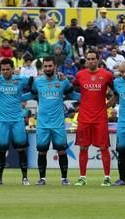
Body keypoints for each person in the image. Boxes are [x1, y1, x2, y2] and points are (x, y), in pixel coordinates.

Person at [31, 56, 77, 185]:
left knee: (62, 151)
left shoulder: (62, 81)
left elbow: (71, 92)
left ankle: (64, 178)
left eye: (50, 66)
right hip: (43, 123)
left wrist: (66, 80)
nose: (47, 68)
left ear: (55, 67)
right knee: (42, 151)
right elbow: (32, 93)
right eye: (45, 66)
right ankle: (42, 178)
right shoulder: (38, 82)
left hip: (58, 123)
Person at [0, 59, 32, 186]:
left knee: (21, 149)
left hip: (18, 120)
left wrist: (57, 76)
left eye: (7, 69)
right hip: (2, 121)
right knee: (1, 150)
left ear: (12, 69)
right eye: (3, 69)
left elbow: (36, 82)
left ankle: (25, 178)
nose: (5, 71)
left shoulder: (20, 79)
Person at [72, 50, 114, 187]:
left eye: (93, 59)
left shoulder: (106, 75)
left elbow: (117, 94)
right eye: (88, 59)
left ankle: (107, 177)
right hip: (84, 118)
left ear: (98, 59)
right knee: (83, 148)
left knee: (103, 147)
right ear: (86, 61)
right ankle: (82, 177)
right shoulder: (80, 75)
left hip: (100, 118)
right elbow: (70, 89)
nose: (90, 61)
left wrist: (106, 106)